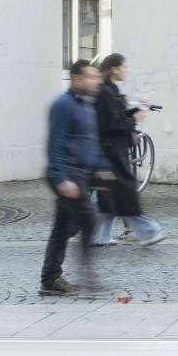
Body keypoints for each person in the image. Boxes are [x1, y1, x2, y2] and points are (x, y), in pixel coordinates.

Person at [41, 60, 113, 295]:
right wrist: (62, 178)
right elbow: (55, 143)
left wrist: (102, 166)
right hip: (68, 174)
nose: (96, 82)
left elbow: (90, 139)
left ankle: (50, 279)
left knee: (62, 228)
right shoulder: (62, 105)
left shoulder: (87, 105)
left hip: (81, 175)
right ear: (76, 78)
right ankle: (87, 274)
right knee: (89, 218)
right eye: (91, 77)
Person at [89, 52, 166, 248]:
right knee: (124, 194)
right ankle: (149, 231)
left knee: (108, 197)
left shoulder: (111, 89)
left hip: (113, 152)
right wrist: (134, 119)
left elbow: (117, 114)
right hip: (111, 153)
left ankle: (99, 236)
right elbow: (111, 124)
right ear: (115, 68)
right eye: (123, 67)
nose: (126, 70)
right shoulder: (105, 92)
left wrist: (134, 109)